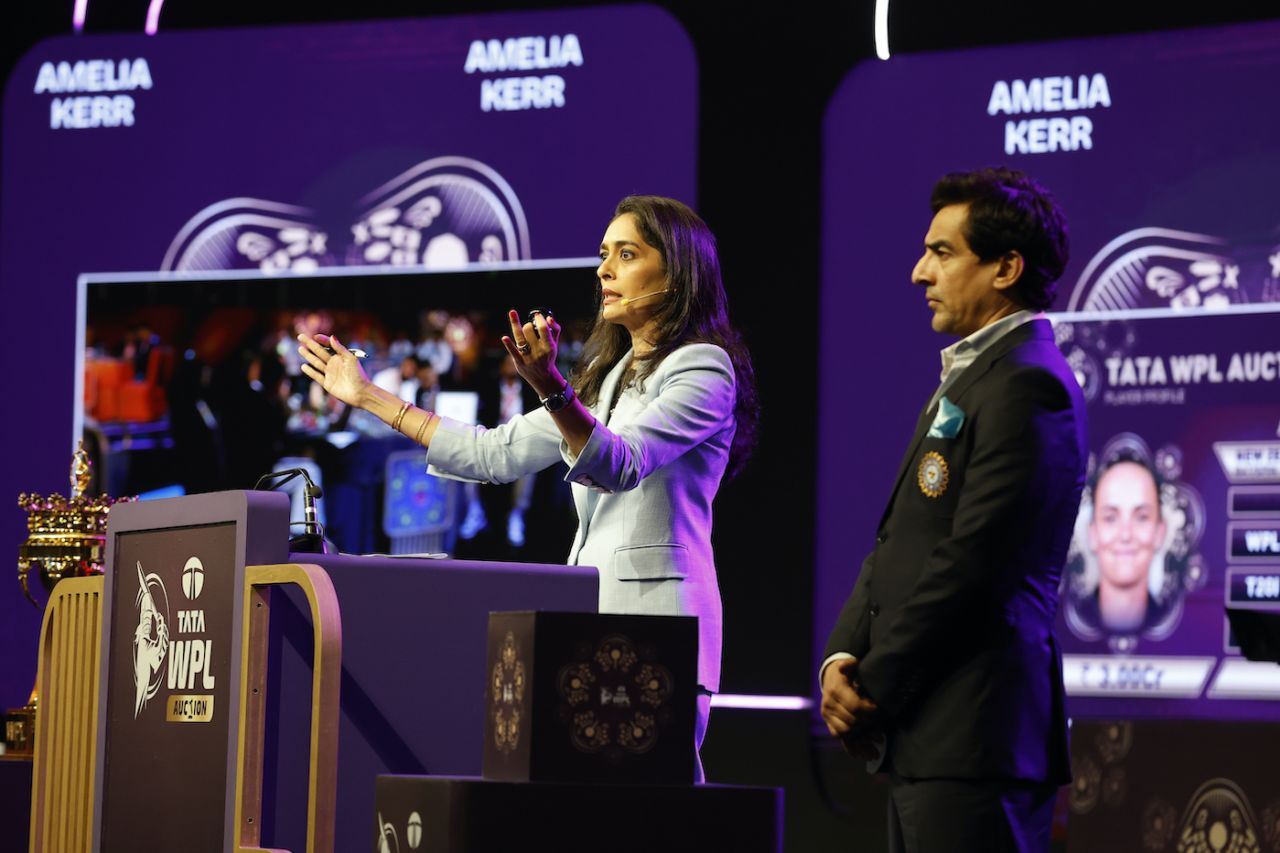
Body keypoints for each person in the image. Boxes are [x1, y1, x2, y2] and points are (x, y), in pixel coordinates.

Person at [298, 195, 757, 778]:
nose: (603, 270)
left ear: (675, 276)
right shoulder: (606, 381)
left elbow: (622, 464)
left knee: (653, 811)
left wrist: (552, 389)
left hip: (660, 627)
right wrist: (367, 396)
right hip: (594, 629)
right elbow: (495, 452)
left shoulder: (703, 368)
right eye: (602, 255)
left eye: (626, 254)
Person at [820, 167, 1087, 852]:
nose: (918, 272)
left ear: (1005, 267)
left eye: (941, 252)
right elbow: (895, 542)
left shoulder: (1030, 385)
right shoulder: (976, 377)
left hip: (976, 734)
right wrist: (841, 657)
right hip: (928, 735)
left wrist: (871, 688)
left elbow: (975, 566)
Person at [1086, 458, 1166, 632]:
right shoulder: (1054, 628)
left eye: (1141, 517)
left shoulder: (1187, 628)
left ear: (1160, 532)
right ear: (1092, 533)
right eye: (1110, 518)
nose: (1125, 535)